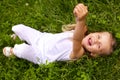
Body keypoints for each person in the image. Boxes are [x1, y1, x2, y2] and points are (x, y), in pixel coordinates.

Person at [3, 3, 116, 64]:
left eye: (99, 46)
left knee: (22, 50)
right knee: (18, 27)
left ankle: (14, 51)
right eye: (99, 36)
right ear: (95, 32)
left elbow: (77, 39)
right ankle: (19, 36)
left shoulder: (79, 53)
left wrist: (81, 21)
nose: (96, 40)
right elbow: (78, 30)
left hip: (41, 56)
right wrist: (79, 14)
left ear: (94, 54)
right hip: (41, 38)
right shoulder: (82, 31)